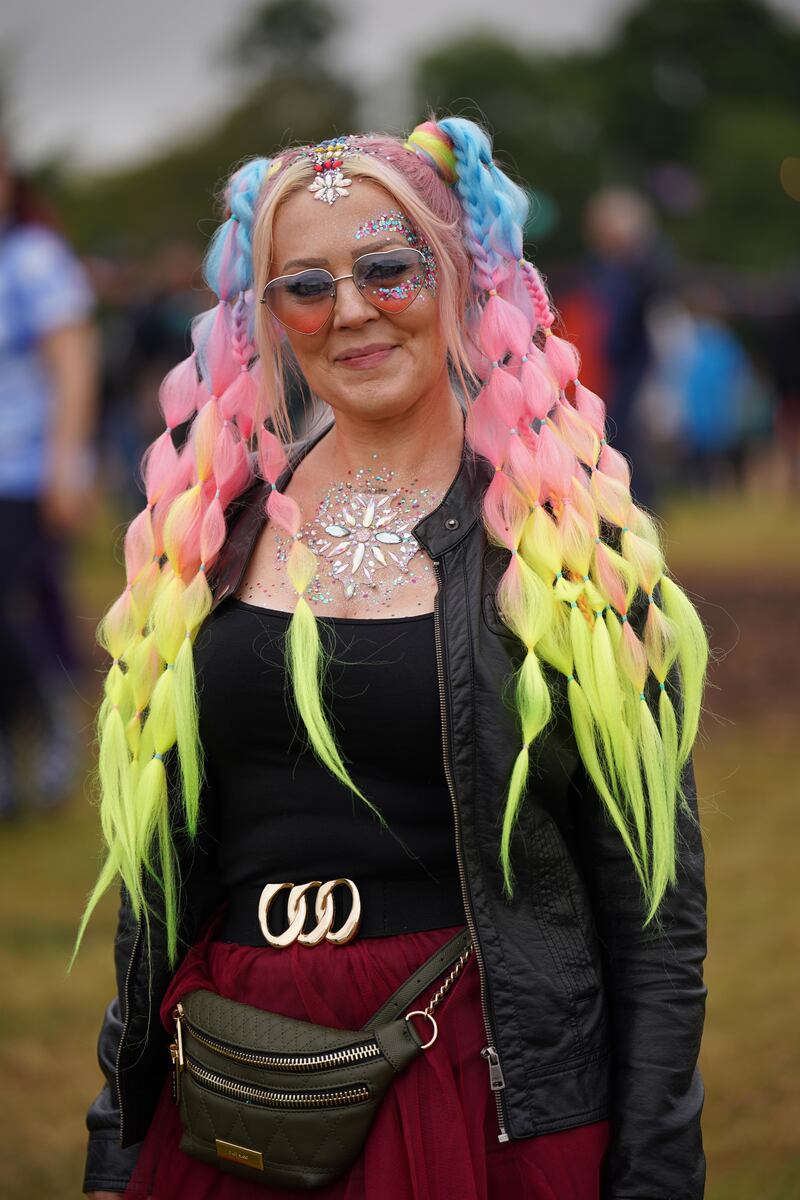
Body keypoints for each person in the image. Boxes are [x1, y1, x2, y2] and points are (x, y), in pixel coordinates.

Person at [79, 118, 709, 1200]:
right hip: (232, 1091)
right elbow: (155, 895)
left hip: (478, 1085)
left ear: (463, 278)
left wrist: (652, 1166)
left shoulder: (559, 551)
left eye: (387, 267)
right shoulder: (201, 541)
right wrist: (116, 1136)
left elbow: (652, 912)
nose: (354, 310)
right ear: (264, 317)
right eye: (305, 286)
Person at [0, 144, 97, 818]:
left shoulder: (32, 258)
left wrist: (68, 463)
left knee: (16, 611)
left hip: (23, 471)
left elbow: (73, 362)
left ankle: (57, 719)